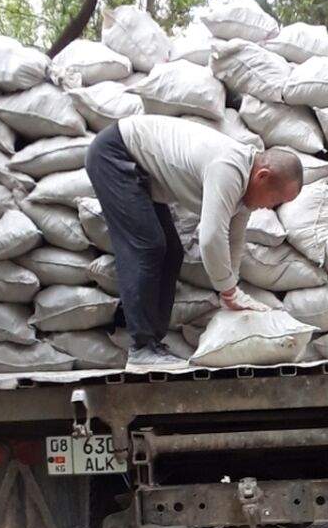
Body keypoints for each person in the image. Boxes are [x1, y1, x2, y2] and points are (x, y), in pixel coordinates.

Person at [85, 114, 303, 370]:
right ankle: (142, 348)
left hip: (140, 168)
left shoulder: (245, 191)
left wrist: (232, 291)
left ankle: (153, 344)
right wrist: (228, 289)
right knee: (148, 247)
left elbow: (233, 238)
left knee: (172, 251)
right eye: (275, 200)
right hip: (115, 155)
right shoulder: (229, 169)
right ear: (262, 176)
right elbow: (211, 238)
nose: (270, 208)